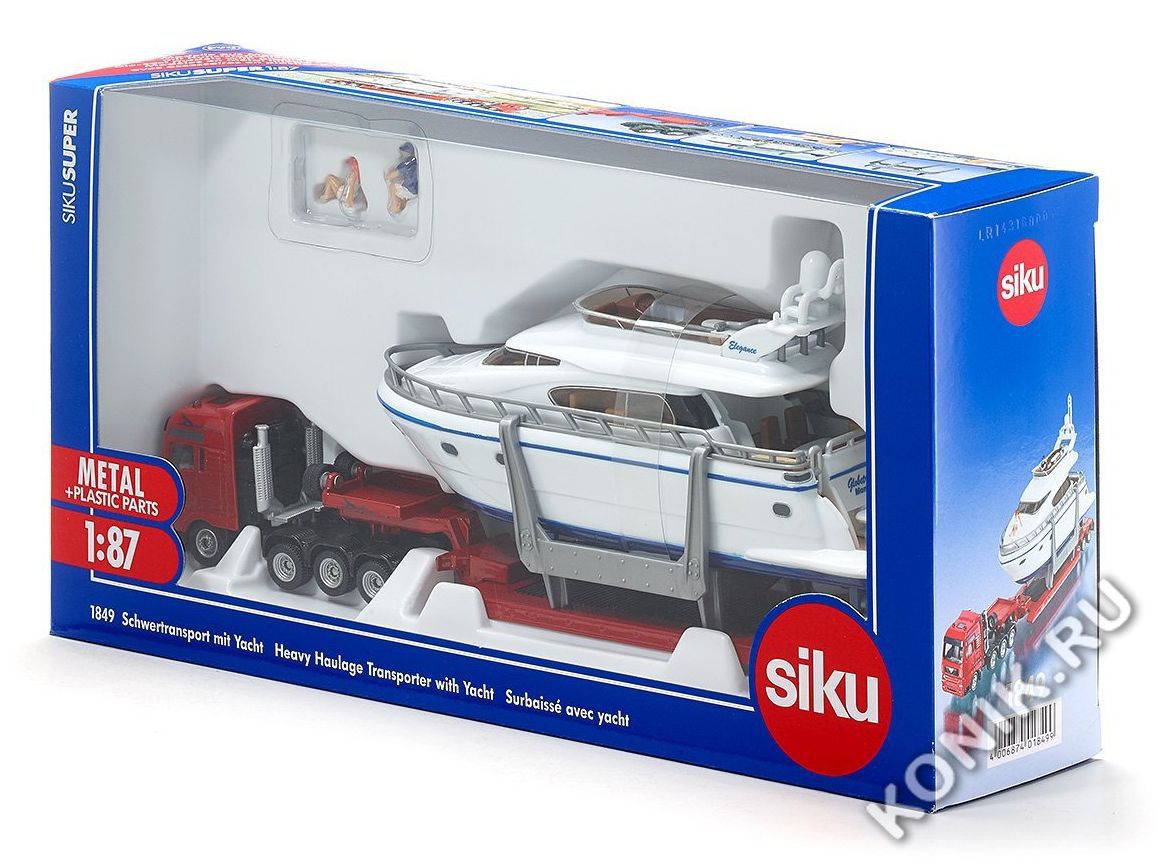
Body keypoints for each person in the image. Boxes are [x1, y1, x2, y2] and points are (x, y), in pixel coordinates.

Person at [384, 142, 419, 215]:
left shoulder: (406, 189)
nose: (390, 199)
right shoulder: (411, 188)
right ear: (398, 204)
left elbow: (392, 186)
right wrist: (398, 172)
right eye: (392, 203)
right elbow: (413, 164)